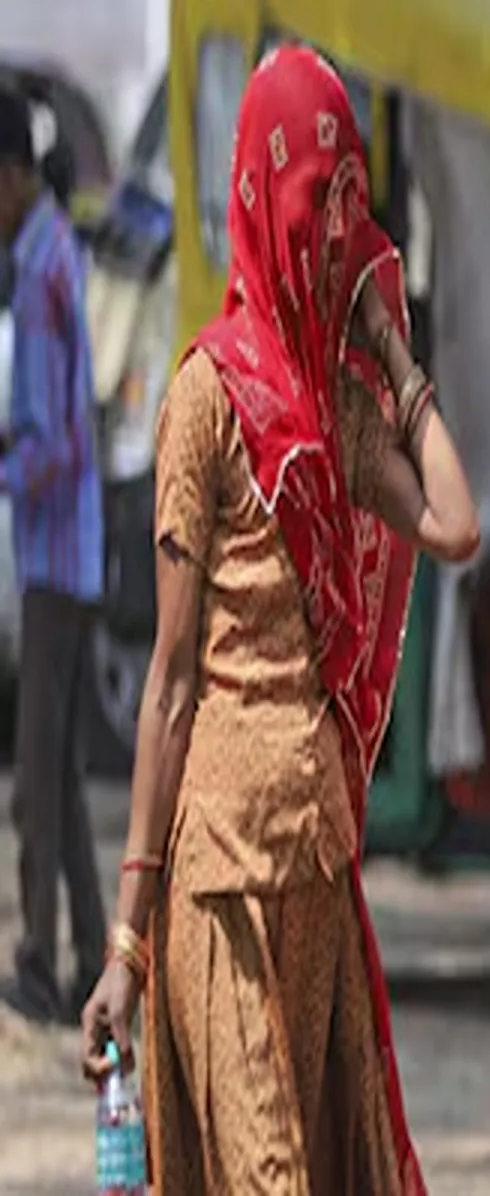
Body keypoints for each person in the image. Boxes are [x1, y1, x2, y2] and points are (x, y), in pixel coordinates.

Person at [79, 47, 479, 1191]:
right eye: (314, 209)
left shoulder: (340, 402)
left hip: (314, 861)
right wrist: (126, 943)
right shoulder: (204, 397)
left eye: (345, 212)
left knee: (313, 1159)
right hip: (217, 880)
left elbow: (451, 521)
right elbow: (168, 682)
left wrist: (393, 350)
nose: (326, 237)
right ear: (262, 202)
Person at [0, 86, 106, 1027]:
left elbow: (57, 439)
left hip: (51, 556)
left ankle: (37, 958)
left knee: (36, 774)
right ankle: (91, 957)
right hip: (77, 555)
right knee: (65, 774)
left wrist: (4, 460)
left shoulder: (35, 278)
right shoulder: (56, 254)